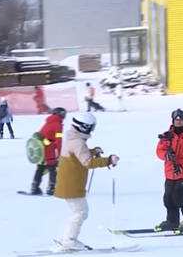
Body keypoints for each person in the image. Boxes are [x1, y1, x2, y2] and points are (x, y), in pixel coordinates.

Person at [52, 112, 120, 252]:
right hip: (71, 184)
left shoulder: (74, 139)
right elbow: (87, 162)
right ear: (85, 127)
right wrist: (108, 160)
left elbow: (80, 154)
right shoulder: (78, 142)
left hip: (69, 182)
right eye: (91, 127)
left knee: (79, 212)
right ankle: (68, 240)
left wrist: (93, 151)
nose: (92, 130)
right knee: (81, 212)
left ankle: (67, 239)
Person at [155, 108, 183, 232]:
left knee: (179, 197)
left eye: (181, 120)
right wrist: (166, 155)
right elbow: (159, 151)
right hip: (170, 173)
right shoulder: (167, 136)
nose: (179, 122)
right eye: (176, 120)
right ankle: (172, 221)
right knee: (168, 198)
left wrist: (180, 165)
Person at [30, 107, 66, 195]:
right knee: (52, 169)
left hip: (41, 148)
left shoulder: (48, 122)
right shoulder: (58, 124)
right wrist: (59, 152)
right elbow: (58, 139)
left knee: (40, 168)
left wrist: (46, 143)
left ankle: (34, 187)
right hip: (49, 149)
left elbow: (41, 134)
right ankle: (51, 188)